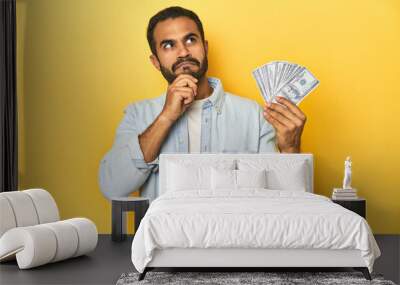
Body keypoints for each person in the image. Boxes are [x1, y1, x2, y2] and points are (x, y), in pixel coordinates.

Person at [98, 6, 307, 201]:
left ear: (205, 47)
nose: (183, 52)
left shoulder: (253, 115)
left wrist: (290, 149)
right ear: (155, 61)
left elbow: (281, 201)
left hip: (234, 237)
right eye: (169, 45)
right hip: (163, 239)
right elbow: (113, 187)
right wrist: (166, 118)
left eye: (190, 40)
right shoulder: (138, 114)